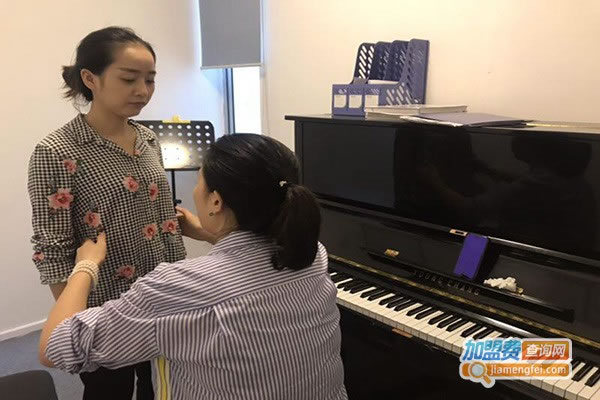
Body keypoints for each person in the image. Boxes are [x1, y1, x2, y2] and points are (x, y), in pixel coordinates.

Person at [38, 134, 348, 400]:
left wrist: (86, 266)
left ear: (216, 202)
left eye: (199, 181)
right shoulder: (311, 255)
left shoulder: (176, 288)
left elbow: (54, 348)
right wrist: (211, 232)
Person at [27, 27, 186, 399]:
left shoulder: (148, 139)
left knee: (162, 386)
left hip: (160, 294)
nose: (142, 90)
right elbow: (52, 248)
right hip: (103, 305)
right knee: (108, 392)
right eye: (129, 79)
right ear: (90, 78)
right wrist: (75, 320)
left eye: (150, 80)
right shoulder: (56, 151)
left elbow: (159, 215)